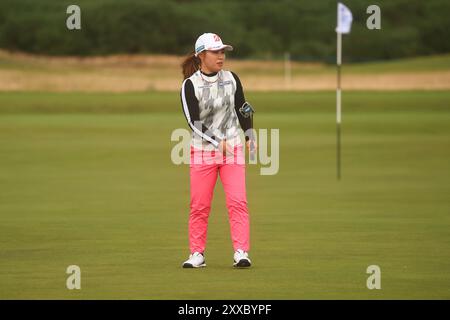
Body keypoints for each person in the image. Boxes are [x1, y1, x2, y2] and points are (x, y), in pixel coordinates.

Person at [179, 33, 256, 268]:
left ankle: (241, 252)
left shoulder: (232, 78)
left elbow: (242, 107)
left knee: (238, 202)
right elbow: (193, 121)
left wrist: (249, 133)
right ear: (201, 55)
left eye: (223, 51)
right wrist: (215, 140)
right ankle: (197, 254)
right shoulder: (190, 85)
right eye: (215, 52)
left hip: (232, 149)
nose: (221, 56)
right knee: (200, 206)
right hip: (203, 151)